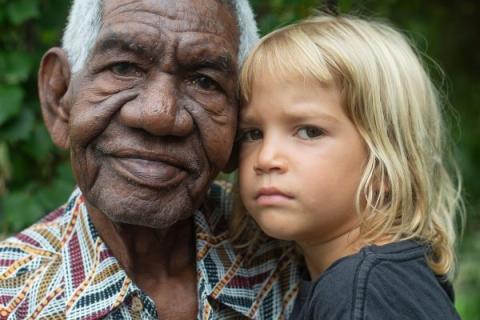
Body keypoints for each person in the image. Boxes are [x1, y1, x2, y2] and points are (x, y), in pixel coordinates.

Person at [0, 0, 301, 319]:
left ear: (241, 124)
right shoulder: (11, 298)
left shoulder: (296, 252)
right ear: (59, 96)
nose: (159, 115)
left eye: (204, 81)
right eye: (123, 67)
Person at [231, 14, 463, 319]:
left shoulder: (365, 293)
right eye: (253, 134)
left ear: (387, 164)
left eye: (309, 131)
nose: (265, 158)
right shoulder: (377, 279)